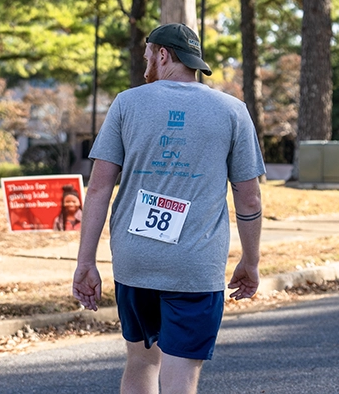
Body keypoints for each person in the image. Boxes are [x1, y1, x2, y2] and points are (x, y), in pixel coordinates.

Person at [72, 23, 264, 394]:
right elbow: (250, 197)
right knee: (180, 377)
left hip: (134, 260)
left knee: (141, 362)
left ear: (162, 54)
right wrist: (250, 262)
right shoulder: (232, 110)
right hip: (195, 265)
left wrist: (85, 262)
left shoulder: (127, 103)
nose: (145, 62)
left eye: (147, 55)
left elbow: (98, 188)